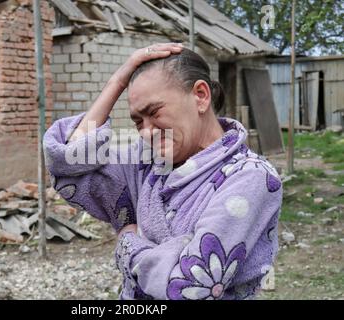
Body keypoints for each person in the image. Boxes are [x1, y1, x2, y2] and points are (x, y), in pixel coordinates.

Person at [44, 43, 282, 300]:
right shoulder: (146, 163)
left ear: (200, 96)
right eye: (138, 121)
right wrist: (117, 81)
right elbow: (69, 166)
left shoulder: (250, 176)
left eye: (154, 112)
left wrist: (129, 243)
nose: (147, 131)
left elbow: (191, 286)